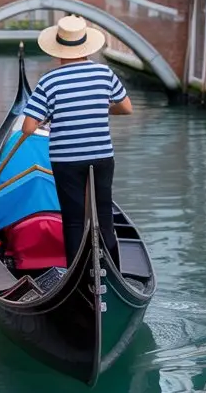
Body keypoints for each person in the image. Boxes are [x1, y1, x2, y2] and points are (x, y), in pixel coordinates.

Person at [21, 14, 132, 267]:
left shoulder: (49, 80)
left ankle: (77, 272)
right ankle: (112, 271)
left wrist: (48, 117)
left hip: (67, 160)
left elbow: (28, 127)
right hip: (102, 156)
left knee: (73, 219)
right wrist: (99, 108)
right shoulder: (104, 72)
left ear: (57, 50)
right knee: (104, 215)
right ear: (86, 47)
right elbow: (126, 108)